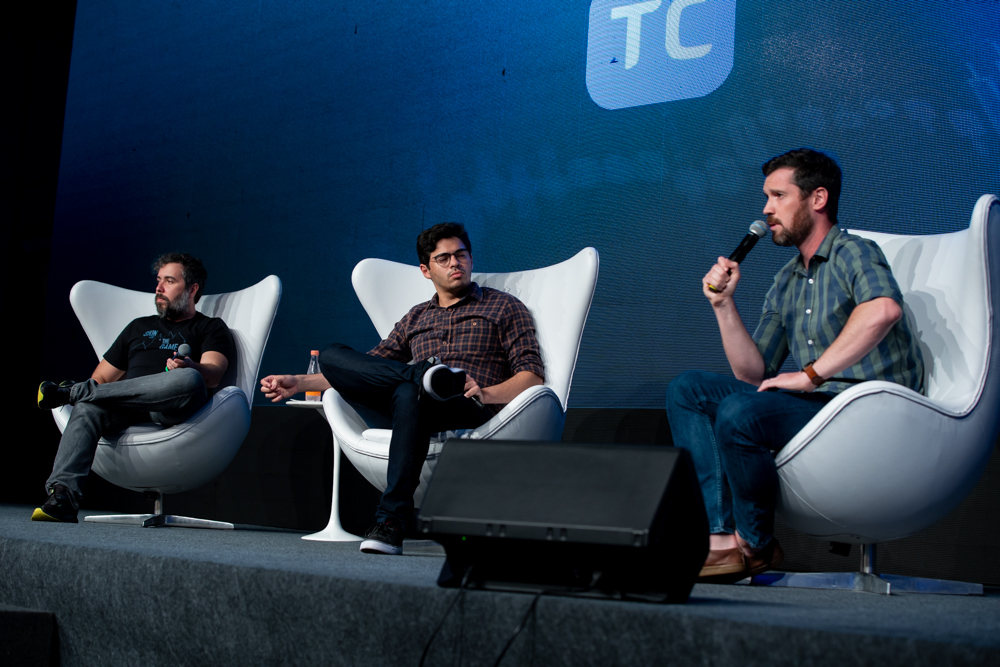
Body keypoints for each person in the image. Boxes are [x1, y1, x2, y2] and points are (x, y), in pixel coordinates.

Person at [665, 148, 924, 582]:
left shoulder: (854, 252)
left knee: (741, 412)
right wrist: (723, 305)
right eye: (766, 198)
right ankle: (721, 540)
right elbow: (753, 374)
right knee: (688, 389)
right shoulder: (787, 279)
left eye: (778, 196)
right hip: (817, 403)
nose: (766, 210)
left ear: (817, 198)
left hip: (868, 406)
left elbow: (883, 310)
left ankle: (756, 544)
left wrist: (809, 375)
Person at [261, 223, 545, 555]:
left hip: (467, 403)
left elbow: (531, 375)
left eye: (461, 255)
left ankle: (391, 521)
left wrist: (486, 392)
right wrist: (300, 382)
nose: (455, 263)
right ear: (426, 270)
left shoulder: (503, 306)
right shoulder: (416, 317)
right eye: (443, 258)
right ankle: (424, 375)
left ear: (470, 259)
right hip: (410, 404)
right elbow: (369, 366)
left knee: (409, 392)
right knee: (333, 356)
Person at [34, 253, 235, 523]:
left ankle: (72, 392)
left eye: (169, 281)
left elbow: (213, 375)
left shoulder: (209, 327)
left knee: (190, 378)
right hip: (127, 406)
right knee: (87, 408)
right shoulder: (138, 327)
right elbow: (101, 378)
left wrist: (190, 366)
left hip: (174, 406)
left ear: (192, 289)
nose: (159, 288)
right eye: (158, 280)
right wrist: (95, 392)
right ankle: (63, 497)